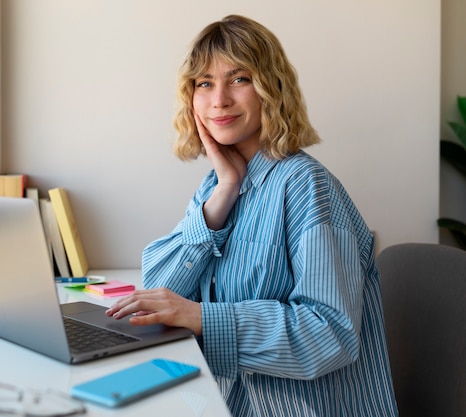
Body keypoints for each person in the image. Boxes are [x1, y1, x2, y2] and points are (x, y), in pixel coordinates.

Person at [105, 14, 398, 416]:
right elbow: (160, 291)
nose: (219, 99)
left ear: (271, 89)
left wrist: (203, 317)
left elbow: (329, 334)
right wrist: (224, 190)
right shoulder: (216, 186)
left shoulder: (308, 188)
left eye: (239, 79)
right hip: (222, 402)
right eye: (204, 83)